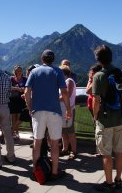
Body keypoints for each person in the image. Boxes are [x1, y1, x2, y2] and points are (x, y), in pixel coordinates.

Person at [24, 49, 71, 180]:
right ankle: (55, 172)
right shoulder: (58, 72)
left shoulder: (34, 71)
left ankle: (35, 171)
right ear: (53, 59)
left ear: (42, 58)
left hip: (38, 111)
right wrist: (68, 109)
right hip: (54, 112)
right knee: (55, 144)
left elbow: (27, 92)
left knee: (37, 143)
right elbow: (64, 92)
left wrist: (30, 107)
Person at [92, 45, 122, 191]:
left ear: (98, 60)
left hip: (105, 121)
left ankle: (109, 183)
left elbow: (96, 101)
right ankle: (119, 180)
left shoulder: (99, 76)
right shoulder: (121, 74)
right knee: (119, 152)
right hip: (120, 118)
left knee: (106, 154)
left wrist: (95, 117)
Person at [59, 65, 77, 160]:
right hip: (62, 110)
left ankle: (73, 151)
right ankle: (65, 149)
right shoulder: (63, 82)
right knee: (63, 131)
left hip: (68, 110)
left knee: (70, 131)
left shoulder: (69, 81)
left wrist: (55, 99)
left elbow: (67, 94)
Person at [85, 63, 102, 156]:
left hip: (96, 105)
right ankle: (98, 149)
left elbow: (87, 91)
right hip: (91, 104)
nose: (90, 74)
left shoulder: (97, 80)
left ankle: (100, 150)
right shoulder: (93, 80)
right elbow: (87, 90)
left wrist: (91, 80)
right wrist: (90, 79)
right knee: (96, 127)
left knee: (98, 128)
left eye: (92, 73)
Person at [9, 65, 27, 139]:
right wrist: (17, 88)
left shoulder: (25, 79)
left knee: (20, 117)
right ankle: (15, 133)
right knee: (14, 117)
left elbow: (27, 88)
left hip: (21, 100)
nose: (19, 72)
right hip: (13, 99)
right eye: (18, 70)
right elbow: (8, 87)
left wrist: (22, 90)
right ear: (15, 71)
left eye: (20, 70)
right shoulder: (11, 79)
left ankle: (14, 131)